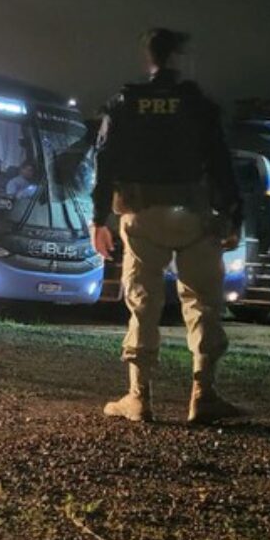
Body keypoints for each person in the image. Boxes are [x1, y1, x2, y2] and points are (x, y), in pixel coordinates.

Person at [91, 28, 245, 425]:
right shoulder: (199, 105)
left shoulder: (124, 102)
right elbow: (221, 162)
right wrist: (233, 214)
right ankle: (203, 395)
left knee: (143, 304)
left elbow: (103, 162)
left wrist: (98, 220)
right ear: (180, 58)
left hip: (142, 216)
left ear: (149, 60)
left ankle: (138, 398)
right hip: (195, 215)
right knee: (203, 303)